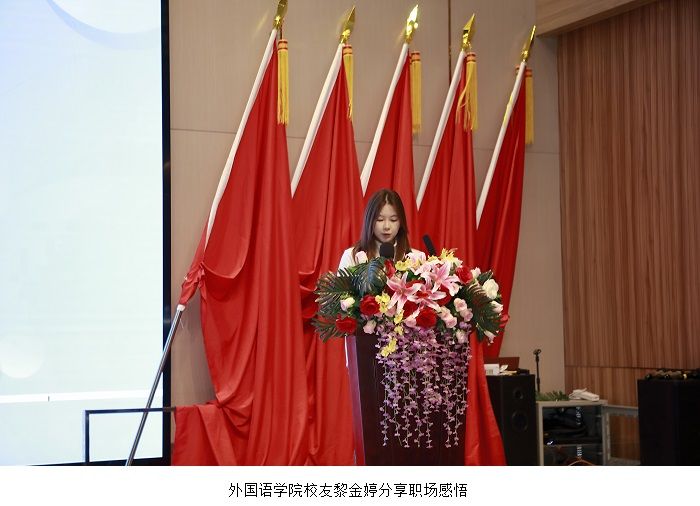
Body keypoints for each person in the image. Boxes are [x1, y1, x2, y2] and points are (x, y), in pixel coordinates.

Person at [338, 188, 416, 270]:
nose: (386, 226)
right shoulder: (352, 257)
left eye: (393, 220)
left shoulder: (415, 259)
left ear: (401, 222)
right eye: (380, 219)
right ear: (370, 220)